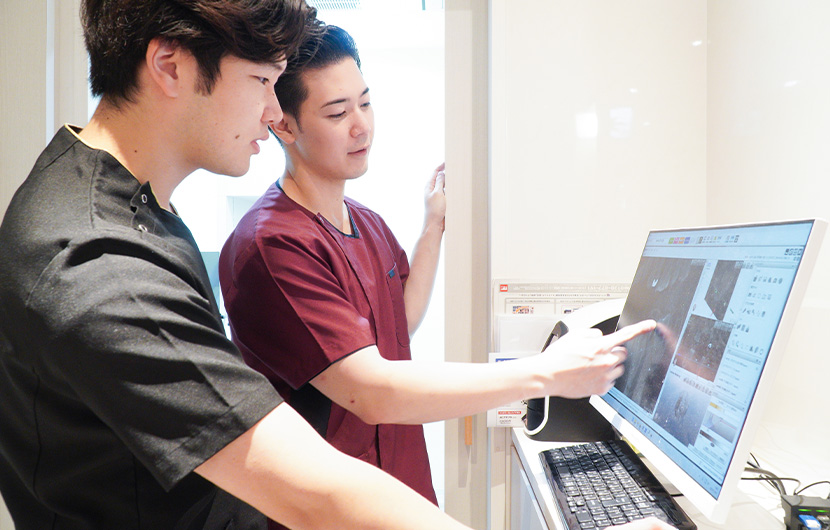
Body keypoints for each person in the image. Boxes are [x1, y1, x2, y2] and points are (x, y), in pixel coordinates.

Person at [0, 2, 502, 529]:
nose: (271, 111)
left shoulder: (119, 200)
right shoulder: (104, 267)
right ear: (170, 66)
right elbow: (317, 488)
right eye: (261, 80)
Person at [219, 24, 673, 530]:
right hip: (328, 512)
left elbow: (399, 322)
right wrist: (547, 370)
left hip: (402, 489)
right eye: (338, 113)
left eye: (365, 103)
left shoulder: (365, 221)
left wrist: (432, 226)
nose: (362, 127)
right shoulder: (273, 245)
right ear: (284, 126)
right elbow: (370, 391)